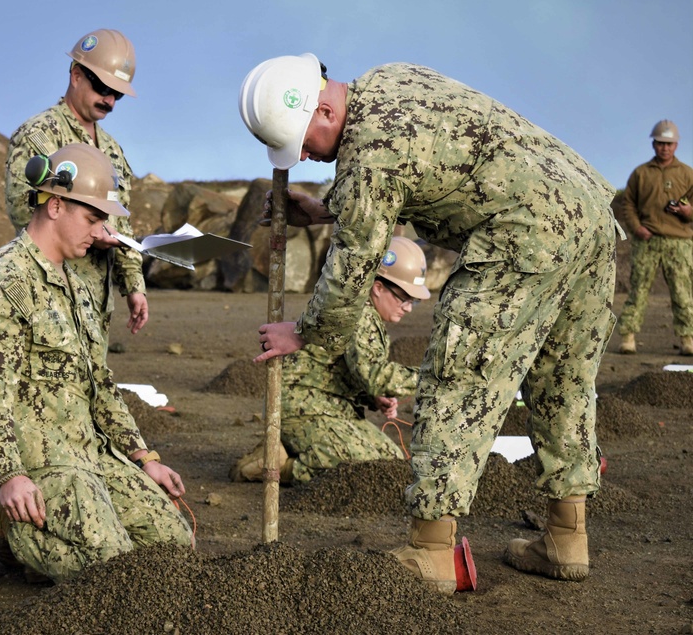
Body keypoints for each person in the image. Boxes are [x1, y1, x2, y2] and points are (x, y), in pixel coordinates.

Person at [239, 55, 620, 594]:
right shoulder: (391, 80)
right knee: (563, 380)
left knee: (458, 379)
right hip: (590, 215)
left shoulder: (367, 156)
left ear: (324, 107)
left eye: (301, 142)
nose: (302, 157)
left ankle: (433, 551)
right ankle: (567, 535)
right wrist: (329, 209)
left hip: (524, 233)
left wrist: (303, 334)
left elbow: (351, 272)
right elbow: (431, 168)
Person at [0, 143, 193, 585]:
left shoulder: (75, 284)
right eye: (93, 219)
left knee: (174, 545)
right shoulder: (3, 278)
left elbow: (100, 382)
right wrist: (7, 475)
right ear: (55, 205)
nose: (100, 232)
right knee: (113, 569)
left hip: (87, 449)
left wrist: (142, 455)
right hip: (36, 456)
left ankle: (37, 535)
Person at [230, 236, 430, 484]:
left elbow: (346, 368)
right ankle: (278, 465)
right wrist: (431, 379)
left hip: (332, 407)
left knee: (390, 460)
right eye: (404, 298)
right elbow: (375, 376)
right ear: (378, 288)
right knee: (362, 464)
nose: (408, 308)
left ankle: (296, 448)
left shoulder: (359, 309)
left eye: (414, 300)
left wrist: (372, 397)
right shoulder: (361, 315)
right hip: (304, 408)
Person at [5, 29, 149, 341]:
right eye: (102, 87)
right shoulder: (39, 136)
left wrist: (134, 285)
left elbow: (121, 219)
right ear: (76, 75)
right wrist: (91, 232)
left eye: (117, 94)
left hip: (96, 303)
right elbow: (22, 207)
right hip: (51, 295)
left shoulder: (112, 150)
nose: (109, 100)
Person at [614, 120, 693, 356]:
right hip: (646, 241)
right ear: (654, 144)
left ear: (676, 145)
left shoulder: (687, 174)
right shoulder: (640, 174)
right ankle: (628, 337)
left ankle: (688, 339)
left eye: (668, 144)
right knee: (637, 291)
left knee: (682, 292)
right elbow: (627, 204)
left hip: (678, 242)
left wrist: (688, 212)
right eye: (660, 143)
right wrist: (636, 227)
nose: (664, 148)